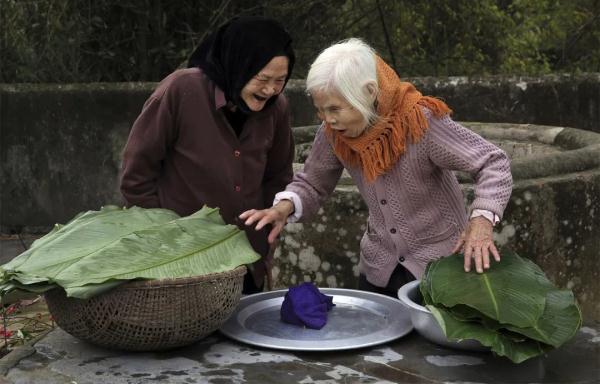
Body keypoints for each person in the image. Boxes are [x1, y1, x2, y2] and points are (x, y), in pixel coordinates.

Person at [240, 38, 513, 298]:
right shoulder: (333, 132)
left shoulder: (420, 122)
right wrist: (282, 208)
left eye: (335, 108)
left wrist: (481, 221)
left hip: (441, 269)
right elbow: (313, 182)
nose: (327, 119)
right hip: (379, 270)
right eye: (320, 110)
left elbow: (493, 162)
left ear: (369, 93)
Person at [120, 17, 296, 294]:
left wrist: (273, 217)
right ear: (237, 65)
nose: (270, 90)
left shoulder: (277, 108)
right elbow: (136, 175)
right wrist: (161, 234)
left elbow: (279, 176)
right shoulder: (181, 91)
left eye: (280, 81)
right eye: (262, 79)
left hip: (246, 259)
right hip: (182, 259)